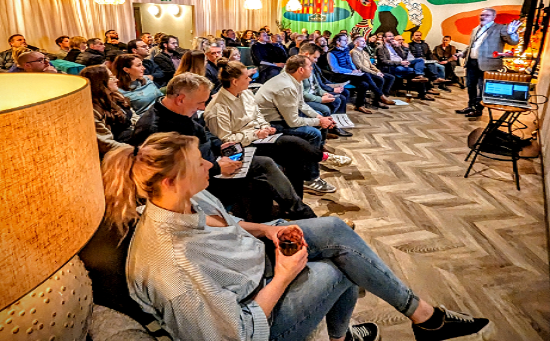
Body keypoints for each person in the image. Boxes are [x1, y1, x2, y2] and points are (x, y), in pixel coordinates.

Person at [102, 130, 493, 341]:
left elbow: (225, 226)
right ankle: (346, 338)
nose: (210, 162)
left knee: (335, 230)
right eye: (198, 161)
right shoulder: (174, 268)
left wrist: (269, 232)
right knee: (337, 270)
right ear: (170, 181)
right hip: (255, 321)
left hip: (254, 267)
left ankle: (424, 317)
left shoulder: (190, 196)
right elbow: (236, 335)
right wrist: (287, 274)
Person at [131, 73, 316, 222]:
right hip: (200, 179)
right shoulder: (153, 128)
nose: (203, 107)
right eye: (200, 103)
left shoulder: (180, 110)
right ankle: (299, 213)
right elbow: (169, 173)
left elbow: (203, 133)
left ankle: (286, 211)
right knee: (265, 165)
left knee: (282, 155)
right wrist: (218, 168)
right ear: (180, 99)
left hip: (213, 163)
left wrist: (220, 145)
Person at [204, 58, 326, 198]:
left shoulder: (246, 93)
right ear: (235, 82)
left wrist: (265, 126)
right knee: (294, 142)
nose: (250, 80)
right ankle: (322, 157)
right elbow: (227, 141)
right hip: (243, 146)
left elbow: (257, 114)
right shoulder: (218, 108)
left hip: (258, 136)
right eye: (247, 77)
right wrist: (256, 134)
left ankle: (296, 200)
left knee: (295, 156)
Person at [255, 55, 353, 193]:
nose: (312, 68)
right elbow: (293, 121)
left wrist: (319, 117)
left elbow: (301, 104)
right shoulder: (286, 86)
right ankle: (310, 178)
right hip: (269, 125)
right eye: (309, 66)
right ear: (301, 69)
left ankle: (313, 157)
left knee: (320, 122)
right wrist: (319, 121)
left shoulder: (295, 80)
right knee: (314, 133)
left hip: (281, 117)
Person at [455, 8, 521, 118]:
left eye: (487, 15)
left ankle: (478, 109)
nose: (483, 17)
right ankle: (470, 106)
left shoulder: (501, 28)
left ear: (493, 17)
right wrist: (463, 53)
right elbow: (472, 45)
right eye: (482, 15)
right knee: (470, 86)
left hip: (488, 64)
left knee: (483, 87)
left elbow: (513, 41)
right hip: (472, 62)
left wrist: (511, 33)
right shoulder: (476, 29)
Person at [80, 65, 138, 156]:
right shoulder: (92, 111)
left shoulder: (116, 95)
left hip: (134, 135)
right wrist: (135, 150)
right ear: (99, 82)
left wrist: (141, 128)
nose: (117, 80)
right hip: (120, 151)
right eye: (111, 78)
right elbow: (106, 144)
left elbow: (133, 114)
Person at [299, 44, 353, 137]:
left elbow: (316, 85)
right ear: (307, 54)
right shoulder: (297, 68)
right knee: (325, 109)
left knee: (337, 99)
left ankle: (330, 126)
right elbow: (301, 94)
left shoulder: (310, 65)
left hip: (312, 95)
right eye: (315, 58)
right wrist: (320, 99)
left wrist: (325, 93)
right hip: (302, 100)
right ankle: (324, 134)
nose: (316, 61)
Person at [328, 33, 391, 112]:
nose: (347, 42)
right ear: (338, 42)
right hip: (339, 75)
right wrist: (351, 71)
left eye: (347, 40)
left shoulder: (346, 50)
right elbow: (335, 69)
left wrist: (355, 70)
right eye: (344, 40)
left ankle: (359, 105)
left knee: (365, 84)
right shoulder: (331, 53)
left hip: (351, 74)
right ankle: (380, 95)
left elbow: (350, 63)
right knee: (366, 75)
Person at [376, 32, 434, 101]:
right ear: (384, 38)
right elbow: (384, 61)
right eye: (389, 36)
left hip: (403, 63)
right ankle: (423, 93)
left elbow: (404, 56)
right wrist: (400, 63)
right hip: (392, 66)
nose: (391, 37)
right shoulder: (381, 48)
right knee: (416, 71)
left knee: (420, 60)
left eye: (392, 36)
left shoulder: (395, 46)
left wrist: (398, 47)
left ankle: (419, 75)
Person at [350, 36, 396, 105]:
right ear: (356, 43)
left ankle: (383, 96)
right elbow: (360, 66)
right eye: (362, 41)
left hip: (370, 71)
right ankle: (379, 99)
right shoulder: (354, 52)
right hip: (363, 73)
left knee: (390, 77)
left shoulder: (365, 52)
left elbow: (371, 65)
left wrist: (378, 71)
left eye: (364, 41)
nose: (364, 42)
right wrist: (375, 73)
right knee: (380, 79)